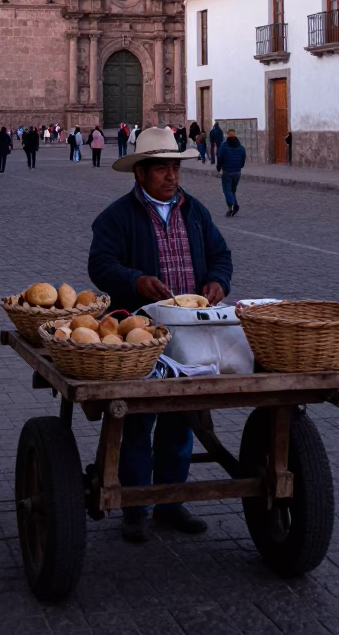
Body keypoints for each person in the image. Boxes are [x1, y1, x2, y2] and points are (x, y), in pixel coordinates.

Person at [89, 126, 232, 543]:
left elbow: (221, 255)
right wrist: (135, 281)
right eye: (163, 169)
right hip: (139, 333)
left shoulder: (195, 211)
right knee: (137, 418)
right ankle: (136, 506)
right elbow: (100, 265)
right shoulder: (117, 217)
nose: (172, 176)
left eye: (175, 167)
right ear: (141, 173)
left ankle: (171, 500)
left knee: (180, 417)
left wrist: (218, 281)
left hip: (189, 334)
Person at [216, 128, 246, 216]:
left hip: (227, 171)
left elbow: (220, 157)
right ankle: (233, 206)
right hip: (237, 172)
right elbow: (243, 157)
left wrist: (219, 166)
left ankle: (232, 205)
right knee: (232, 190)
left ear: (227, 135)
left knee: (227, 190)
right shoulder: (240, 147)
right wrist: (241, 165)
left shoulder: (224, 146)